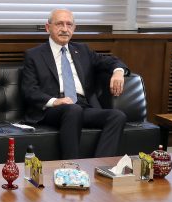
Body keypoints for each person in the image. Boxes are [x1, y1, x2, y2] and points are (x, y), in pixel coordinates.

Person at [20, 8, 129, 160]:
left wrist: (118, 72)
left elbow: (111, 61)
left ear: (74, 28)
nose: (65, 29)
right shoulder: (34, 55)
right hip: (53, 109)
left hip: (83, 106)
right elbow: (29, 90)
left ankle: (100, 166)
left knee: (117, 116)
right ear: (48, 27)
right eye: (59, 24)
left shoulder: (82, 50)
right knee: (73, 110)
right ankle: (71, 166)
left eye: (69, 24)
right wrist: (55, 101)